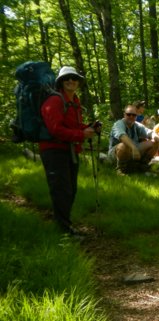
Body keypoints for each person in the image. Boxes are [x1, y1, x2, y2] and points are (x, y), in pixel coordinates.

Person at [40, 66, 97, 235]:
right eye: (67, 78)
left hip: (70, 150)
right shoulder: (54, 101)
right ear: (61, 82)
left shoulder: (74, 101)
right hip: (54, 151)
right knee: (61, 191)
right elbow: (55, 129)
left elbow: (74, 125)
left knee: (70, 190)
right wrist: (81, 134)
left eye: (74, 78)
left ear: (78, 82)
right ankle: (63, 232)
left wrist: (89, 128)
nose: (71, 81)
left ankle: (63, 224)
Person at [108, 105, 159, 173]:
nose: (131, 116)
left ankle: (142, 166)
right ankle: (121, 169)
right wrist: (133, 148)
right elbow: (122, 136)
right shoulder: (118, 124)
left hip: (134, 150)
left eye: (133, 115)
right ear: (124, 114)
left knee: (155, 142)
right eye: (128, 114)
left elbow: (150, 133)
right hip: (115, 154)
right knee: (123, 145)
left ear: (136, 116)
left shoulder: (137, 125)